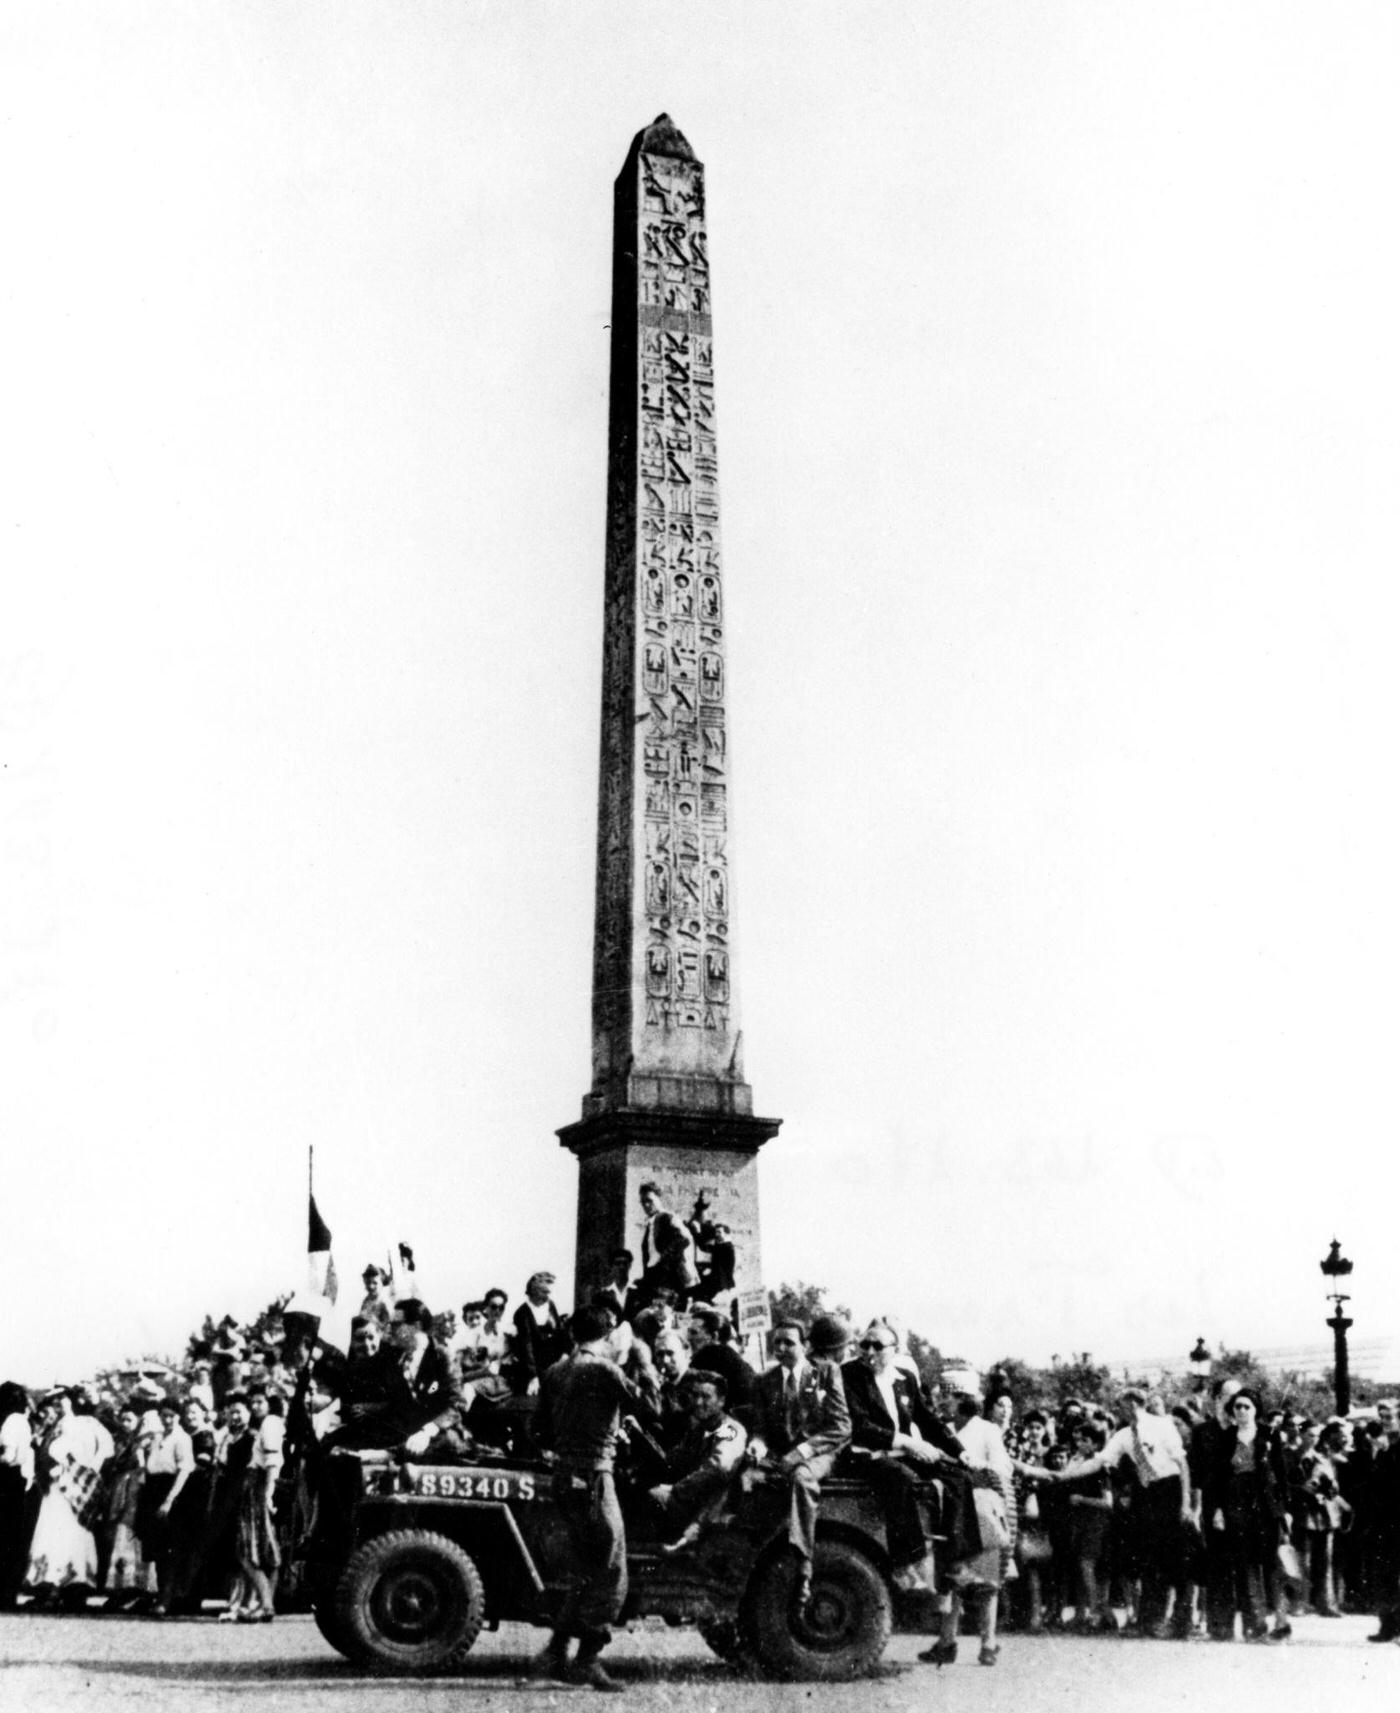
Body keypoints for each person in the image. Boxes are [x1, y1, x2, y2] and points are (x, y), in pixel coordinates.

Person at [531, 1303, 646, 1692]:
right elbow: (652, 1404)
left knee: (584, 1565)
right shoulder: (604, 1369)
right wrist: (639, 1358)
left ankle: (556, 1649)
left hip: (565, 1475)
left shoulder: (555, 1371)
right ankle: (588, 1658)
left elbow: (539, 1429)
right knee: (612, 1571)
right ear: (610, 1331)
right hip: (596, 1475)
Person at [1040, 1387, 1192, 1639]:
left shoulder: (1162, 1426)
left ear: (1133, 1404)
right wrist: (1063, 1475)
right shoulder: (1123, 1435)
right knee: (1149, 1559)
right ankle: (1149, 1622)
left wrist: (1185, 1502)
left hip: (1170, 1490)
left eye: (1122, 1404)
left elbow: (1182, 1463)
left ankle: (1181, 1622)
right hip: (1147, 1495)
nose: (1118, 1410)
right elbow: (1099, 1461)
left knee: (1175, 1558)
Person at [839, 1319, 961, 1590]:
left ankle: (956, 1562)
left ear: (894, 1350)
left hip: (898, 1452)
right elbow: (860, 1427)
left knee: (956, 1475)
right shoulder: (849, 1374)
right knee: (901, 1477)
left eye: (877, 1346)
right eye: (864, 1345)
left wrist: (960, 1452)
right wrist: (909, 1443)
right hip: (864, 1455)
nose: (869, 1352)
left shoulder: (904, 1379)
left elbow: (928, 1420)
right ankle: (908, 1563)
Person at [747, 1320, 851, 1601]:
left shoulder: (826, 1372)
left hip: (818, 1453)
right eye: (777, 1342)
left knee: (802, 1479)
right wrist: (757, 1445)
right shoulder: (763, 1381)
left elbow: (840, 1426)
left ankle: (803, 1564)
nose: (781, 1348)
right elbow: (759, 1429)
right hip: (780, 1454)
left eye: (789, 1343)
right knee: (742, 1477)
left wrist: (802, 1452)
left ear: (805, 1346)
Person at [920, 1392, 1017, 1668]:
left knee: (985, 1581)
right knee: (952, 1577)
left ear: (962, 1401)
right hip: (951, 1507)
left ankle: (987, 1644)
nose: (943, 1403)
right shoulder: (945, 1430)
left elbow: (1003, 1467)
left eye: (949, 1398)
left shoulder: (987, 1430)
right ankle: (946, 1642)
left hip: (981, 1505)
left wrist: (977, 1464)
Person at [1201, 1388, 1292, 1641]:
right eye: (1237, 1407)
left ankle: (1282, 1621)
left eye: (1246, 1407)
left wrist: (1285, 1510)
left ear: (1256, 1410)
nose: (1241, 1411)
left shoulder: (1270, 1434)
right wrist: (1218, 1509)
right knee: (1246, 1564)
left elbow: (1282, 1474)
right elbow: (1217, 1478)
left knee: (1272, 1563)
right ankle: (1256, 1623)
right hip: (1236, 1501)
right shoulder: (1226, 1437)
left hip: (1265, 1503)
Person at [25, 1387, 113, 1610]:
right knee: (67, 1531)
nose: (57, 1404)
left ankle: (58, 1586)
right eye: (53, 1401)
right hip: (69, 1485)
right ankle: (67, 1586)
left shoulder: (73, 1424)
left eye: (61, 1400)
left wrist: (74, 1471)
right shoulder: (88, 1426)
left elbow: (58, 1452)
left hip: (68, 1485)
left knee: (63, 1530)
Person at [648, 1371, 747, 1549]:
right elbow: (677, 1457)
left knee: (654, 1497)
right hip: (695, 1499)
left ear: (721, 1401)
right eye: (695, 1395)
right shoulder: (700, 1427)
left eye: (706, 1397)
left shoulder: (730, 1430)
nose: (699, 1402)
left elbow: (717, 1469)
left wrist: (675, 1489)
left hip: (712, 1506)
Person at [385, 1298, 466, 1455]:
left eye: (396, 1325)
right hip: (408, 1433)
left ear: (416, 1326)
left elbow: (456, 1404)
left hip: (441, 1433)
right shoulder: (396, 1358)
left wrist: (427, 1432)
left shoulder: (442, 1357)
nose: (390, 1329)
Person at [685, 1304, 756, 1430]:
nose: (688, 1337)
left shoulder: (707, 1357)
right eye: (689, 1332)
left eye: (694, 1332)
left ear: (714, 1336)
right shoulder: (732, 1357)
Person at [0, 1382, 35, 1610]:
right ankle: (8, 1593)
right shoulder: (23, 1421)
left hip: (6, 1477)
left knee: (5, 1538)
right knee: (12, 1538)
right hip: (16, 1480)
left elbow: (8, 1454)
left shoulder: (11, 1422)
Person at [637, 1183, 698, 1307]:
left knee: (661, 1316)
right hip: (657, 1280)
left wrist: (662, 1258)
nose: (646, 1205)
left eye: (649, 1200)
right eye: (643, 1202)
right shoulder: (652, 1222)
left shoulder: (666, 1218)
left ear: (660, 1199)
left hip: (668, 1281)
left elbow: (684, 1239)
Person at [510, 1273, 569, 1398]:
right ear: (533, 1290)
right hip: (534, 1367)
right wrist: (533, 1376)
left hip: (555, 1365)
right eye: (544, 1292)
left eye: (548, 1292)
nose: (547, 1296)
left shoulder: (550, 1305)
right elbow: (527, 1346)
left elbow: (559, 1331)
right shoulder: (522, 1313)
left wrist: (564, 1353)